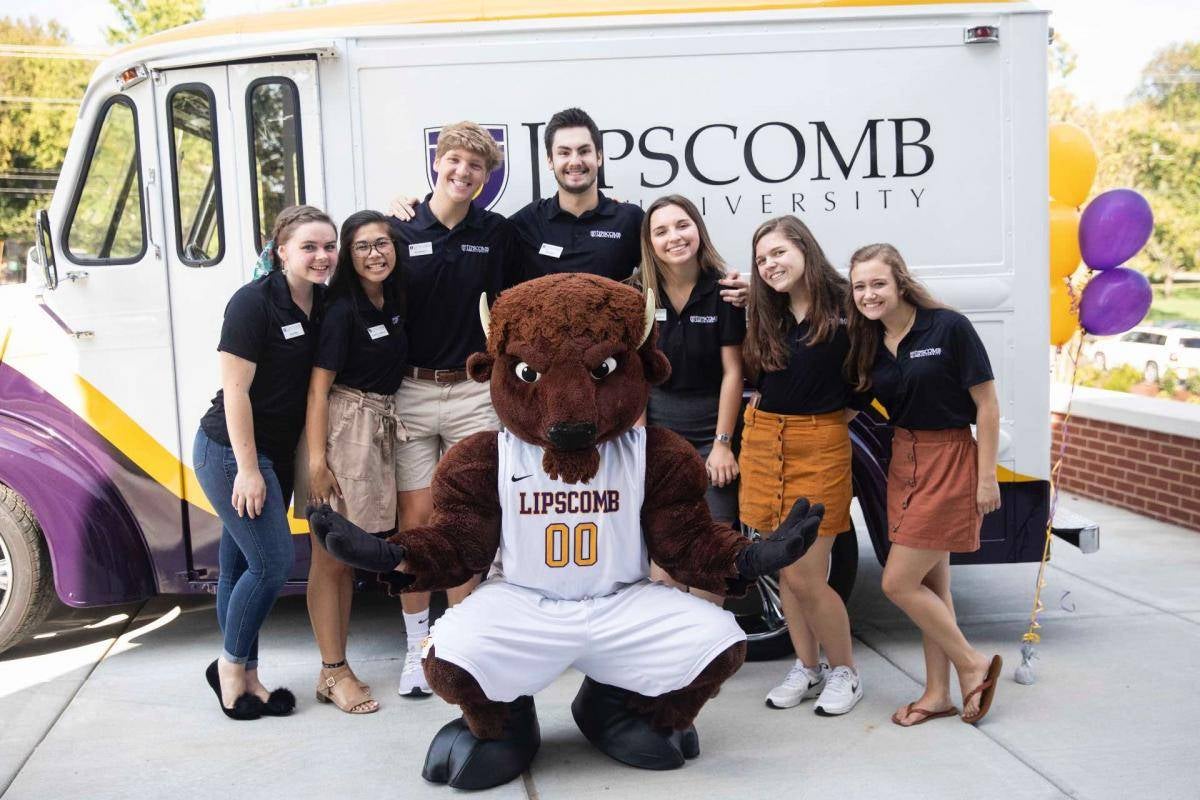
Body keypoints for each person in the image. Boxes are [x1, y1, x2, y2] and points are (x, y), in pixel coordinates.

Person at [388, 121, 524, 697]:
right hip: (411, 393)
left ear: (487, 178)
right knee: (415, 526)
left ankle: (457, 645)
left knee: (465, 523)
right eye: (455, 161)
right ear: (436, 164)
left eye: (476, 166)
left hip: (472, 392)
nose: (463, 173)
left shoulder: (494, 234)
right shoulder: (396, 228)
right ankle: (418, 648)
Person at [844, 242, 1003, 727]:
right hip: (904, 460)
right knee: (933, 583)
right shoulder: (869, 343)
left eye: (877, 284)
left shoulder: (948, 327)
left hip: (951, 457)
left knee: (897, 581)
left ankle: (972, 664)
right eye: (859, 287)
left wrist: (987, 476)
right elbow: (854, 406)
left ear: (899, 282)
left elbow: (987, 404)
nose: (868, 294)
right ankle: (937, 694)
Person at [193, 204, 335, 720]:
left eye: (328, 246)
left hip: (271, 451)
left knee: (238, 565)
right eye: (309, 247)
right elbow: (235, 393)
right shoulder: (253, 303)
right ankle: (229, 667)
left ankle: (247, 674)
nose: (322, 256)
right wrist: (250, 470)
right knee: (273, 563)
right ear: (281, 252)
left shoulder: (321, 302)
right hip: (231, 451)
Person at [391, 108, 750, 306]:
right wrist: (410, 205)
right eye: (564, 152)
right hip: (547, 377)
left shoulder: (629, 219)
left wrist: (739, 287)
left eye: (583, 151)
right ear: (550, 160)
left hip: (612, 369)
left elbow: (678, 267)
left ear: (599, 157)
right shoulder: (521, 225)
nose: (574, 161)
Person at [739, 215, 862, 716]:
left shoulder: (846, 309)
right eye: (762, 259)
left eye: (778, 253)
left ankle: (846, 672)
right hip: (765, 441)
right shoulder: (768, 315)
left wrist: (821, 424)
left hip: (820, 446)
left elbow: (864, 385)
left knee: (810, 575)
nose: (770, 265)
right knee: (784, 573)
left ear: (805, 249)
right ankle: (807, 668)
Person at [301, 210, 408, 714]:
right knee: (332, 554)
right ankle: (332, 671)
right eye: (363, 246)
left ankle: (335, 667)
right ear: (348, 254)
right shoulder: (343, 310)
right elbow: (319, 390)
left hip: (378, 426)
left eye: (382, 243)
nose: (375, 254)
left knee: (348, 553)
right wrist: (318, 462)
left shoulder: (390, 301)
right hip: (345, 429)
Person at [633, 195, 744, 603]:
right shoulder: (639, 293)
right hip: (662, 429)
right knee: (663, 559)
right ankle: (669, 662)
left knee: (711, 555)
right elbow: (637, 372)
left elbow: (734, 372)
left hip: (713, 427)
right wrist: (640, 440)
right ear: (650, 242)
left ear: (698, 228)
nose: (674, 237)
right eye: (661, 231)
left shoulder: (725, 289)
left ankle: (707, 659)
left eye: (682, 225)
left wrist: (723, 445)